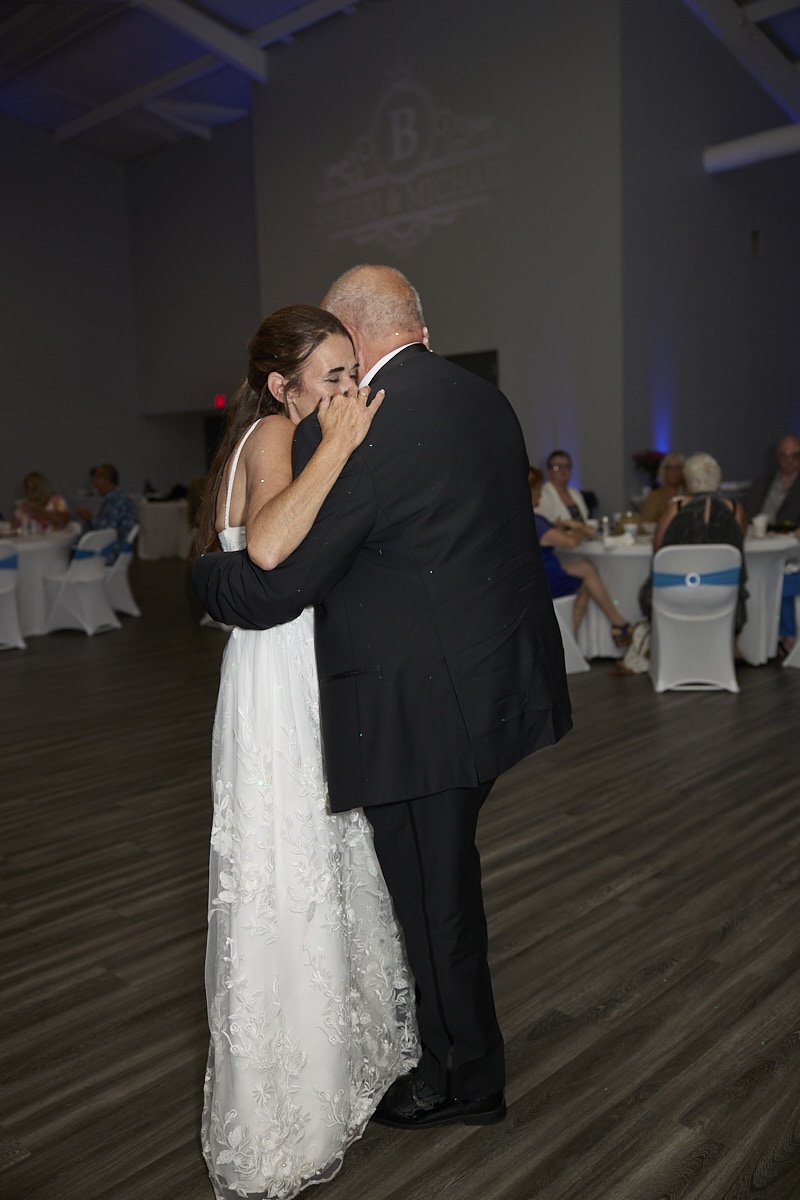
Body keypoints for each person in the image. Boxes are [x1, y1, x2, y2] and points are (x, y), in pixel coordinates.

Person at [193, 265, 572, 1136]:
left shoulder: (379, 418)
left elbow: (279, 584)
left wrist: (205, 577)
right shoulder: (484, 398)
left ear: (356, 337)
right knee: (443, 885)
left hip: (419, 707)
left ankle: (463, 1077)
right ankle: (453, 1055)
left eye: (341, 355)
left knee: (436, 900)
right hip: (493, 681)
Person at [193, 305, 418, 1200]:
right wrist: (340, 445)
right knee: (289, 866)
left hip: (276, 669)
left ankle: (327, 1068)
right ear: (282, 386)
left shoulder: (274, 435)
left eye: (351, 372)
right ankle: (292, 1104)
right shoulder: (277, 435)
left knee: (307, 859)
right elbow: (270, 546)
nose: (348, 390)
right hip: (276, 676)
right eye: (332, 376)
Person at [639, 452, 749, 633]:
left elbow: (659, 553)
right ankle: (730, 644)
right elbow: (735, 548)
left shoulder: (674, 510)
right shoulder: (736, 511)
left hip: (676, 594)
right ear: (718, 483)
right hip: (724, 596)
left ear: (688, 485)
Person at [528, 467, 634, 646]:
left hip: (535, 576)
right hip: (544, 580)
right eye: (538, 489)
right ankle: (574, 639)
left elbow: (549, 529)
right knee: (586, 573)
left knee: (585, 569)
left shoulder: (525, 518)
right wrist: (582, 530)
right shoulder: (536, 521)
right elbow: (570, 543)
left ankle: (575, 639)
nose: (541, 494)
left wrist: (564, 523)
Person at [76, 464, 137, 563]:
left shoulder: (118, 501)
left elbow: (108, 531)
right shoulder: (116, 499)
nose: (94, 482)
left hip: (110, 552)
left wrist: (89, 519)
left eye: (96, 478)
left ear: (104, 479)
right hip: (112, 549)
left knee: (70, 555)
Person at [745, 433, 800, 528]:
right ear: (778, 456)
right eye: (784, 455)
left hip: (790, 534)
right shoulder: (760, 483)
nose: (789, 460)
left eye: (795, 456)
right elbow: (749, 514)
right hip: (757, 532)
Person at [535, 449, 590, 523]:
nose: (563, 471)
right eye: (557, 467)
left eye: (566, 466)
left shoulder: (576, 493)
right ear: (549, 472)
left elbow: (585, 518)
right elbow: (541, 524)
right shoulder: (541, 495)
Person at [639, 452, 686, 524]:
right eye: (669, 468)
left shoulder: (688, 495)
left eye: (677, 468)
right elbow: (646, 522)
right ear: (664, 471)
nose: (673, 472)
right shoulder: (654, 496)